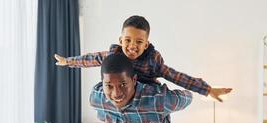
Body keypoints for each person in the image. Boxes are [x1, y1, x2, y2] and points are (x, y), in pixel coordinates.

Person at [55, 15, 232, 102]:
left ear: (146, 44)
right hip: (125, 95)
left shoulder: (153, 62)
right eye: (128, 40)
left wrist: (207, 89)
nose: (132, 45)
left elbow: (177, 76)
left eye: (139, 42)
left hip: (146, 95)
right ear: (120, 40)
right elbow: (91, 58)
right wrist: (68, 61)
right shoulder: (114, 56)